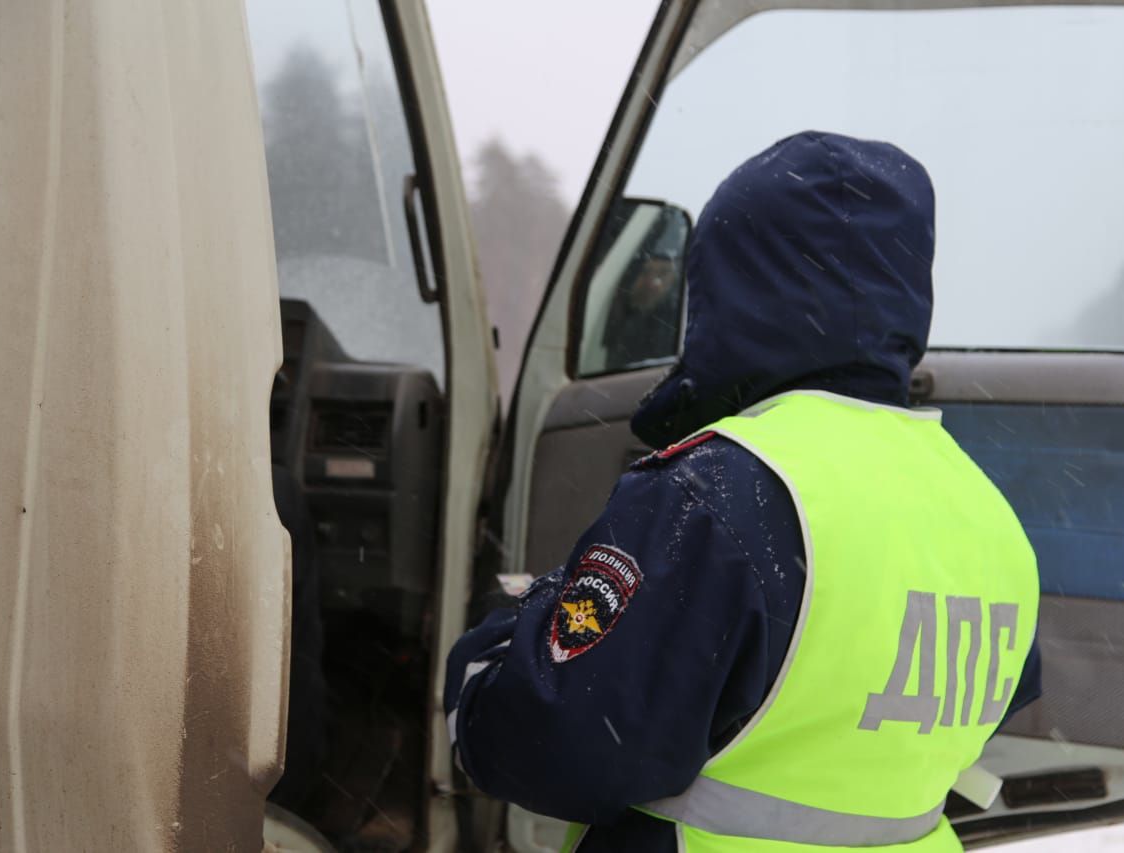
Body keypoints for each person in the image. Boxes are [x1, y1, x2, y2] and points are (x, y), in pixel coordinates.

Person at [444, 131, 1041, 852]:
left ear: (731, 292)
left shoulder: (720, 492)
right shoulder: (986, 513)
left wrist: (496, 650)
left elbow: (553, 741)